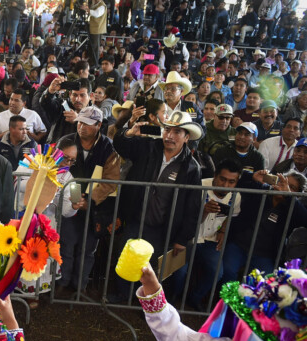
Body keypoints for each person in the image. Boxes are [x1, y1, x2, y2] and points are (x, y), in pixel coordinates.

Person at [113, 111, 203, 299]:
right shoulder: (148, 147)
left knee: (153, 268)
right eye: (167, 130)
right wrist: (130, 132)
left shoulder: (191, 167)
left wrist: (182, 238)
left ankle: (146, 303)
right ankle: (122, 295)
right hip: (136, 218)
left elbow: (192, 206)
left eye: (177, 132)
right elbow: (120, 145)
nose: (169, 136)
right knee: (125, 256)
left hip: (164, 227)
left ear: (187, 138)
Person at [55, 106, 120, 298]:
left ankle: (80, 286)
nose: (82, 126)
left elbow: (111, 180)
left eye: (88, 124)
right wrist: (75, 200)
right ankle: (62, 282)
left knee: (88, 248)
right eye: (80, 122)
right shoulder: (66, 141)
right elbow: (56, 165)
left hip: (95, 208)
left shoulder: (108, 147)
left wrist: (89, 200)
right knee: (66, 244)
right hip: (69, 199)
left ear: (99, 125)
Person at [222, 170, 307, 280]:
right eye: (283, 183)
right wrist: (252, 176)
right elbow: (237, 183)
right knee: (228, 271)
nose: (285, 188)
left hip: (265, 255)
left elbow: (305, 219)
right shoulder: (263, 191)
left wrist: (289, 196)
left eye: (292, 187)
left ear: (298, 193)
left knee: (264, 283)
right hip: (238, 246)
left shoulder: (293, 209)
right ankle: (227, 297)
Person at [181, 159, 243, 311]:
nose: (226, 185)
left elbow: (231, 216)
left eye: (231, 182)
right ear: (215, 175)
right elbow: (185, 217)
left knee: (217, 272)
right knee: (180, 273)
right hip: (188, 237)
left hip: (210, 240)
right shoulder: (199, 186)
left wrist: (222, 231)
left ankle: (194, 298)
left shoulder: (236, 196)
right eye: (222, 179)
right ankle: (172, 299)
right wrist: (204, 210)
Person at [82, 0, 107, 69]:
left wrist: (87, 9)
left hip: (96, 29)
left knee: (95, 47)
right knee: (91, 46)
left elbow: (96, 14)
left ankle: (95, 64)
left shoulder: (102, 5)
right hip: (92, 28)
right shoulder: (94, 4)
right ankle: (91, 61)